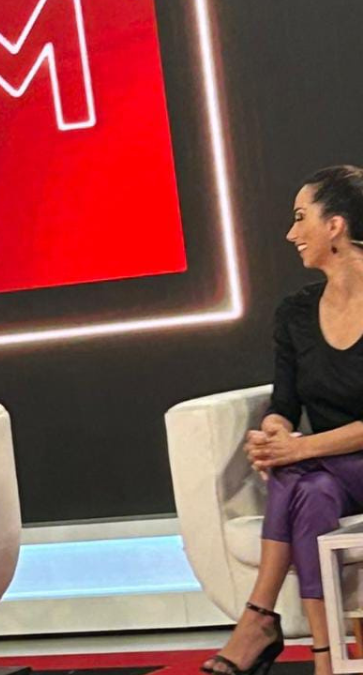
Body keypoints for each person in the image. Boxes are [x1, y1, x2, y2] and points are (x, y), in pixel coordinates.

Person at [205, 165, 363, 675]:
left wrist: (299, 449)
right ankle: (325, 657)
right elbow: (285, 402)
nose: (291, 233)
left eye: (300, 218)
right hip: (334, 473)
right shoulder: (295, 312)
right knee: (310, 491)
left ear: (335, 226)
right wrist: (275, 429)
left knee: (295, 468)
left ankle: (258, 620)